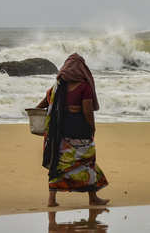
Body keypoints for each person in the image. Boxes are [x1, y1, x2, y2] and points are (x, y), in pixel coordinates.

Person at [37, 53, 109, 207]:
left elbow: (46, 100)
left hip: (60, 129)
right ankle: (93, 198)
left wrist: (35, 110)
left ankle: (51, 199)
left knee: (58, 161)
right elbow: (87, 111)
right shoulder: (84, 87)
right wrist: (92, 127)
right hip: (79, 128)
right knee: (87, 160)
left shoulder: (58, 86)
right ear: (82, 69)